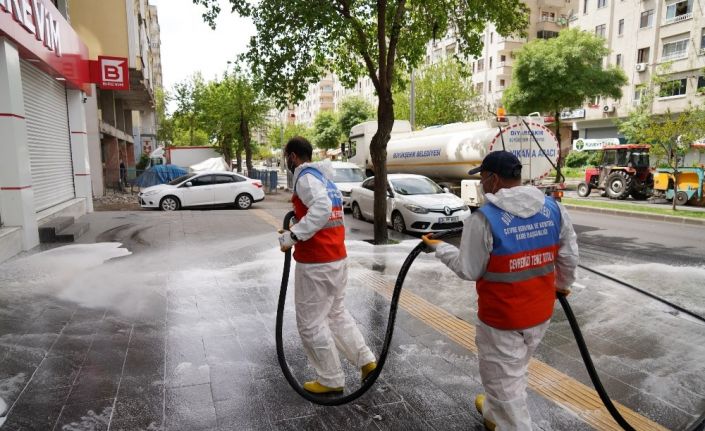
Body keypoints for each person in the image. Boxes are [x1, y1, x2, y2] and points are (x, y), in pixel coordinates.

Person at [422, 151, 579, 430]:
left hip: (502, 320)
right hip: (540, 314)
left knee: (505, 384)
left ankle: (507, 417)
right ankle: (494, 411)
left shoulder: (484, 219)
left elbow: (468, 269)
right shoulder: (553, 209)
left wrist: (438, 248)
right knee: (511, 373)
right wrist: (563, 286)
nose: (481, 183)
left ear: (494, 179)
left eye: (483, 177)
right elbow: (568, 255)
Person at [278, 136, 377, 394]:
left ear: (293, 156)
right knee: (336, 314)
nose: (286, 161)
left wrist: (293, 236)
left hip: (316, 263)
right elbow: (325, 212)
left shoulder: (305, 177)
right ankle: (366, 360)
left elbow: (321, 209)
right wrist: (298, 226)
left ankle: (331, 379)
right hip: (336, 257)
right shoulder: (325, 179)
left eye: (286, 156)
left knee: (311, 323)